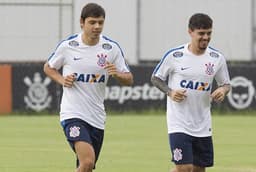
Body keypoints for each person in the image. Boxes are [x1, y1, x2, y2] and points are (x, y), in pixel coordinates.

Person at [43, 3, 133, 172]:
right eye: (92, 22)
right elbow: (48, 67)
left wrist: (118, 74)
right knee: (87, 162)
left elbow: (129, 79)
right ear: (82, 22)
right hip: (73, 114)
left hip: (97, 117)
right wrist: (62, 80)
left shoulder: (111, 48)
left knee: (86, 168)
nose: (97, 26)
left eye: (100, 22)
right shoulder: (68, 46)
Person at [151, 13, 231, 172]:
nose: (206, 37)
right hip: (179, 123)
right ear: (190, 32)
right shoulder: (175, 55)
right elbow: (156, 78)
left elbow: (226, 84)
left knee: (198, 170)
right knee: (184, 168)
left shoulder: (217, 58)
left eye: (209, 33)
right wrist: (170, 92)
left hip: (203, 123)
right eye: (201, 33)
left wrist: (222, 90)